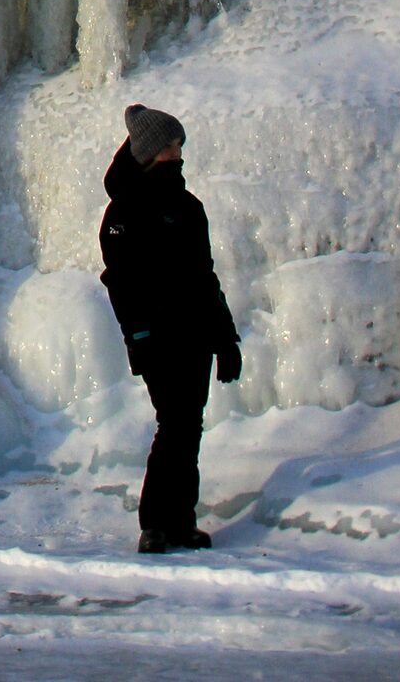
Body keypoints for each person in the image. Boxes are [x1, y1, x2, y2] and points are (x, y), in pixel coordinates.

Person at [98, 102, 242, 555]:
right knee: (175, 423)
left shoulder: (189, 206)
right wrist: (138, 339)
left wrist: (226, 339)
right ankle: (155, 524)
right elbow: (121, 284)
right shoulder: (123, 213)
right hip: (158, 339)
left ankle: (180, 521)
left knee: (187, 427)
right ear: (149, 152)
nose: (177, 153)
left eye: (179, 144)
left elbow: (205, 278)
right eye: (169, 145)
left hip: (195, 335)